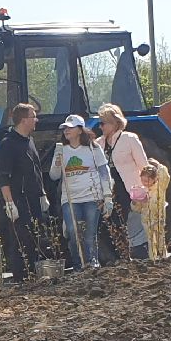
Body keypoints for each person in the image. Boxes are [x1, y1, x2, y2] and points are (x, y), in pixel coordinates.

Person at [0, 103, 50, 282]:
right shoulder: (8, 144)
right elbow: (3, 176)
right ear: (24, 120)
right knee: (21, 239)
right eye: (33, 116)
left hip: (33, 198)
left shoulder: (29, 141)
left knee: (34, 237)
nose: (36, 120)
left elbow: (35, 171)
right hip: (18, 200)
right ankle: (21, 278)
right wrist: (9, 203)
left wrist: (43, 194)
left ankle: (32, 274)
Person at [50, 115, 109, 270]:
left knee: (90, 233)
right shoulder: (61, 150)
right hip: (70, 199)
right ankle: (78, 264)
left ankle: (92, 262)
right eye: (65, 128)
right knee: (72, 231)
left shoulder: (93, 148)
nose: (66, 130)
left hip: (91, 196)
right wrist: (57, 163)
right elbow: (54, 175)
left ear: (80, 130)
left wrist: (107, 195)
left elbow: (104, 171)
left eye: (70, 127)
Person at [99, 104, 151, 262]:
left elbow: (144, 166)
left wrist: (145, 190)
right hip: (110, 190)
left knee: (134, 224)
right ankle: (121, 256)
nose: (100, 126)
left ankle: (139, 256)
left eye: (103, 123)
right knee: (113, 223)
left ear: (114, 123)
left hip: (130, 189)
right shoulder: (98, 144)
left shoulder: (129, 139)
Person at [136, 160, 170, 261]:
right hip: (146, 219)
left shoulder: (160, 187)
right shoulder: (142, 190)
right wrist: (135, 201)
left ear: (154, 179)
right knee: (151, 239)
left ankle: (163, 257)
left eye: (147, 181)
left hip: (159, 217)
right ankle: (153, 258)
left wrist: (158, 165)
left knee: (160, 237)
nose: (145, 183)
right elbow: (137, 208)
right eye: (143, 181)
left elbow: (165, 175)